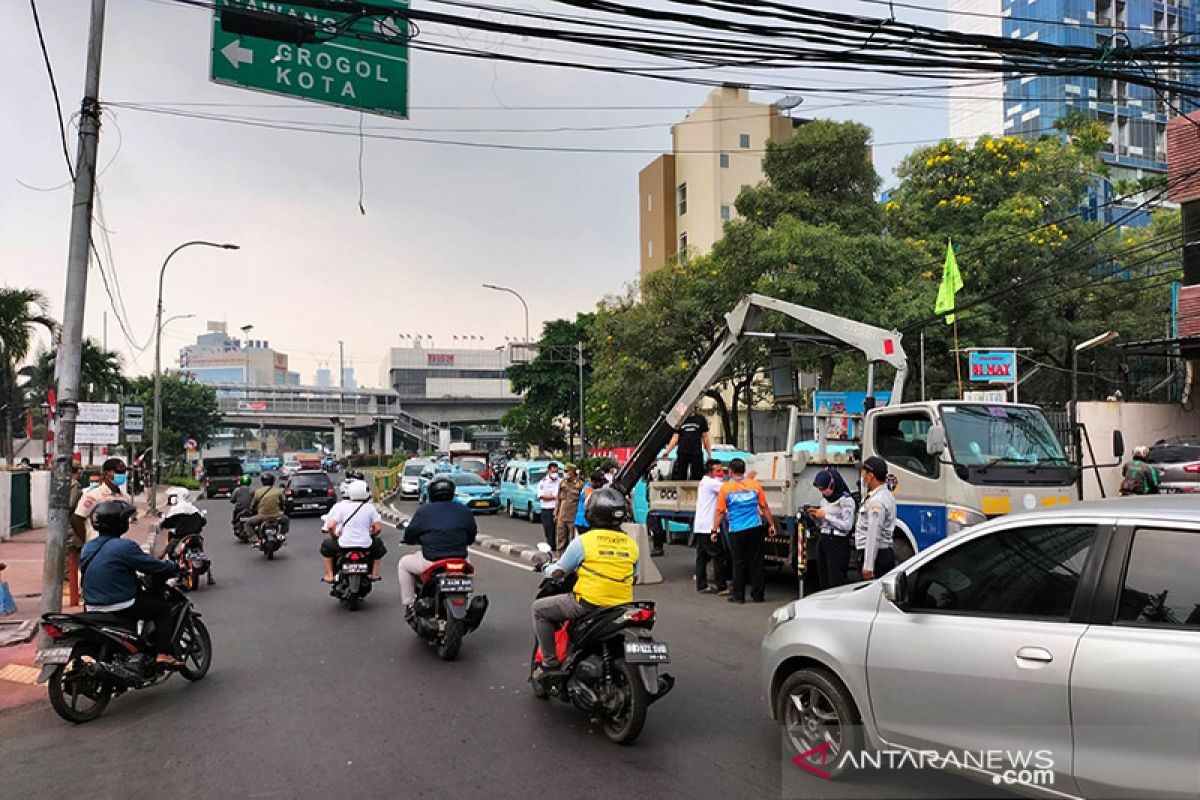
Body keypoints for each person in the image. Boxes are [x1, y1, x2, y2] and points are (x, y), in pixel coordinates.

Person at [532, 485, 640, 680]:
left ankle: (549, 664)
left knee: (539, 610)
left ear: (592, 514)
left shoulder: (584, 541)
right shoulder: (631, 544)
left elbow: (558, 572)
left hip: (588, 604)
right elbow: (635, 577)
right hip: (622, 607)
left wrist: (544, 568)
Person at [80, 500, 180, 666]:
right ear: (119, 524)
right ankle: (163, 653)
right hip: (121, 604)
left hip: (91, 605)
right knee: (162, 610)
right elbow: (151, 565)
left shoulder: (88, 547)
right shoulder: (124, 547)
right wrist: (174, 566)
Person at [399, 476, 478, 613]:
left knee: (403, 564)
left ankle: (410, 603)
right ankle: (464, 598)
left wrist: (410, 540)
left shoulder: (423, 511)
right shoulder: (464, 510)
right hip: (460, 560)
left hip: (432, 561)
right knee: (468, 572)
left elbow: (410, 534)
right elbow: (471, 535)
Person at [713, 458, 774, 604]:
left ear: (731, 471)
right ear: (744, 470)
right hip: (755, 527)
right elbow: (764, 506)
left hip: (737, 529)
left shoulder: (726, 488)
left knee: (739, 562)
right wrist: (772, 524)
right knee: (757, 562)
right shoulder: (755, 485)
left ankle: (738, 595)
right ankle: (758, 595)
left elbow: (720, 511)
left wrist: (714, 529)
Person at [321, 478, 386, 582]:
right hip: (366, 545)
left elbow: (330, 526)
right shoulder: (370, 508)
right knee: (379, 547)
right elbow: (378, 528)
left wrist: (334, 536)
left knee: (326, 546)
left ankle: (329, 574)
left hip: (344, 544)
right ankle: (374, 574)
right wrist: (371, 535)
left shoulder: (342, 507)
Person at [808, 468, 857, 590]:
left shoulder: (846, 500)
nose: (823, 492)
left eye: (824, 488)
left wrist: (826, 516)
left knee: (836, 581)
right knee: (823, 580)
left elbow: (847, 525)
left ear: (832, 484)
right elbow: (823, 521)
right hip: (824, 537)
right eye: (820, 489)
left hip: (838, 541)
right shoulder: (825, 500)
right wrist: (816, 516)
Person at [855, 456, 897, 581]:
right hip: (878, 554)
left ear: (870, 476)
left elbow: (873, 534)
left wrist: (868, 566)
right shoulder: (881, 495)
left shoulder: (877, 502)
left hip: (877, 557)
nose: (862, 476)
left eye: (863, 472)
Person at [692, 459, 729, 595]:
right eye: (718, 471)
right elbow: (728, 489)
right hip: (709, 526)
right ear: (710, 472)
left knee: (701, 556)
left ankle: (702, 585)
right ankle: (722, 586)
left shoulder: (704, 481)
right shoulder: (711, 483)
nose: (721, 473)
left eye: (722, 471)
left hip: (701, 525)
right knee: (718, 555)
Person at [73, 458, 128, 542]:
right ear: (106, 474)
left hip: (116, 543)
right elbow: (77, 518)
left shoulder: (124, 497)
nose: (122, 475)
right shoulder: (94, 495)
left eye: (123, 472)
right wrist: (86, 540)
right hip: (96, 543)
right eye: (118, 472)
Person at [241, 472, 288, 545]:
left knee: (248, 523)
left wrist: (252, 510)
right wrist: (282, 509)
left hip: (262, 517)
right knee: (286, 520)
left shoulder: (257, 492)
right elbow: (283, 503)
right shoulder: (278, 491)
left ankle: (255, 538)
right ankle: (281, 535)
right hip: (276, 516)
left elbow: (253, 505)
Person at [665, 409, 712, 481]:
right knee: (681, 475)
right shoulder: (679, 419)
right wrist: (667, 451)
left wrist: (709, 453)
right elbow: (675, 437)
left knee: (698, 475)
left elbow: (705, 437)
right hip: (683, 451)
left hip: (696, 451)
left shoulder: (700, 419)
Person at [554, 464, 584, 554]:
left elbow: (582, 501)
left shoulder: (580, 484)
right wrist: (556, 513)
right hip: (562, 516)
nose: (565, 473)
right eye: (565, 471)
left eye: (567, 471)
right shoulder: (563, 483)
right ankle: (560, 558)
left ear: (573, 472)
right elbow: (558, 500)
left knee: (572, 541)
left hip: (573, 517)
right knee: (560, 539)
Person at [536, 462, 561, 552]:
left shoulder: (560, 481)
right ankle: (551, 547)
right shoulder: (543, 482)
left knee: (558, 529)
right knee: (549, 529)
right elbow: (541, 496)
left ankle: (557, 546)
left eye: (556, 471)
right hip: (547, 509)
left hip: (558, 509)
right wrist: (554, 497)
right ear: (549, 471)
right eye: (553, 471)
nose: (555, 473)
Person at [574, 470, 606, 536]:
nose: (602, 485)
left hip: (583, 521)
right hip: (585, 522)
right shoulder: (589, 491)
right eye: (600, 483)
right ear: (594, 482)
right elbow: (589, 506)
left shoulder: (588, 486)